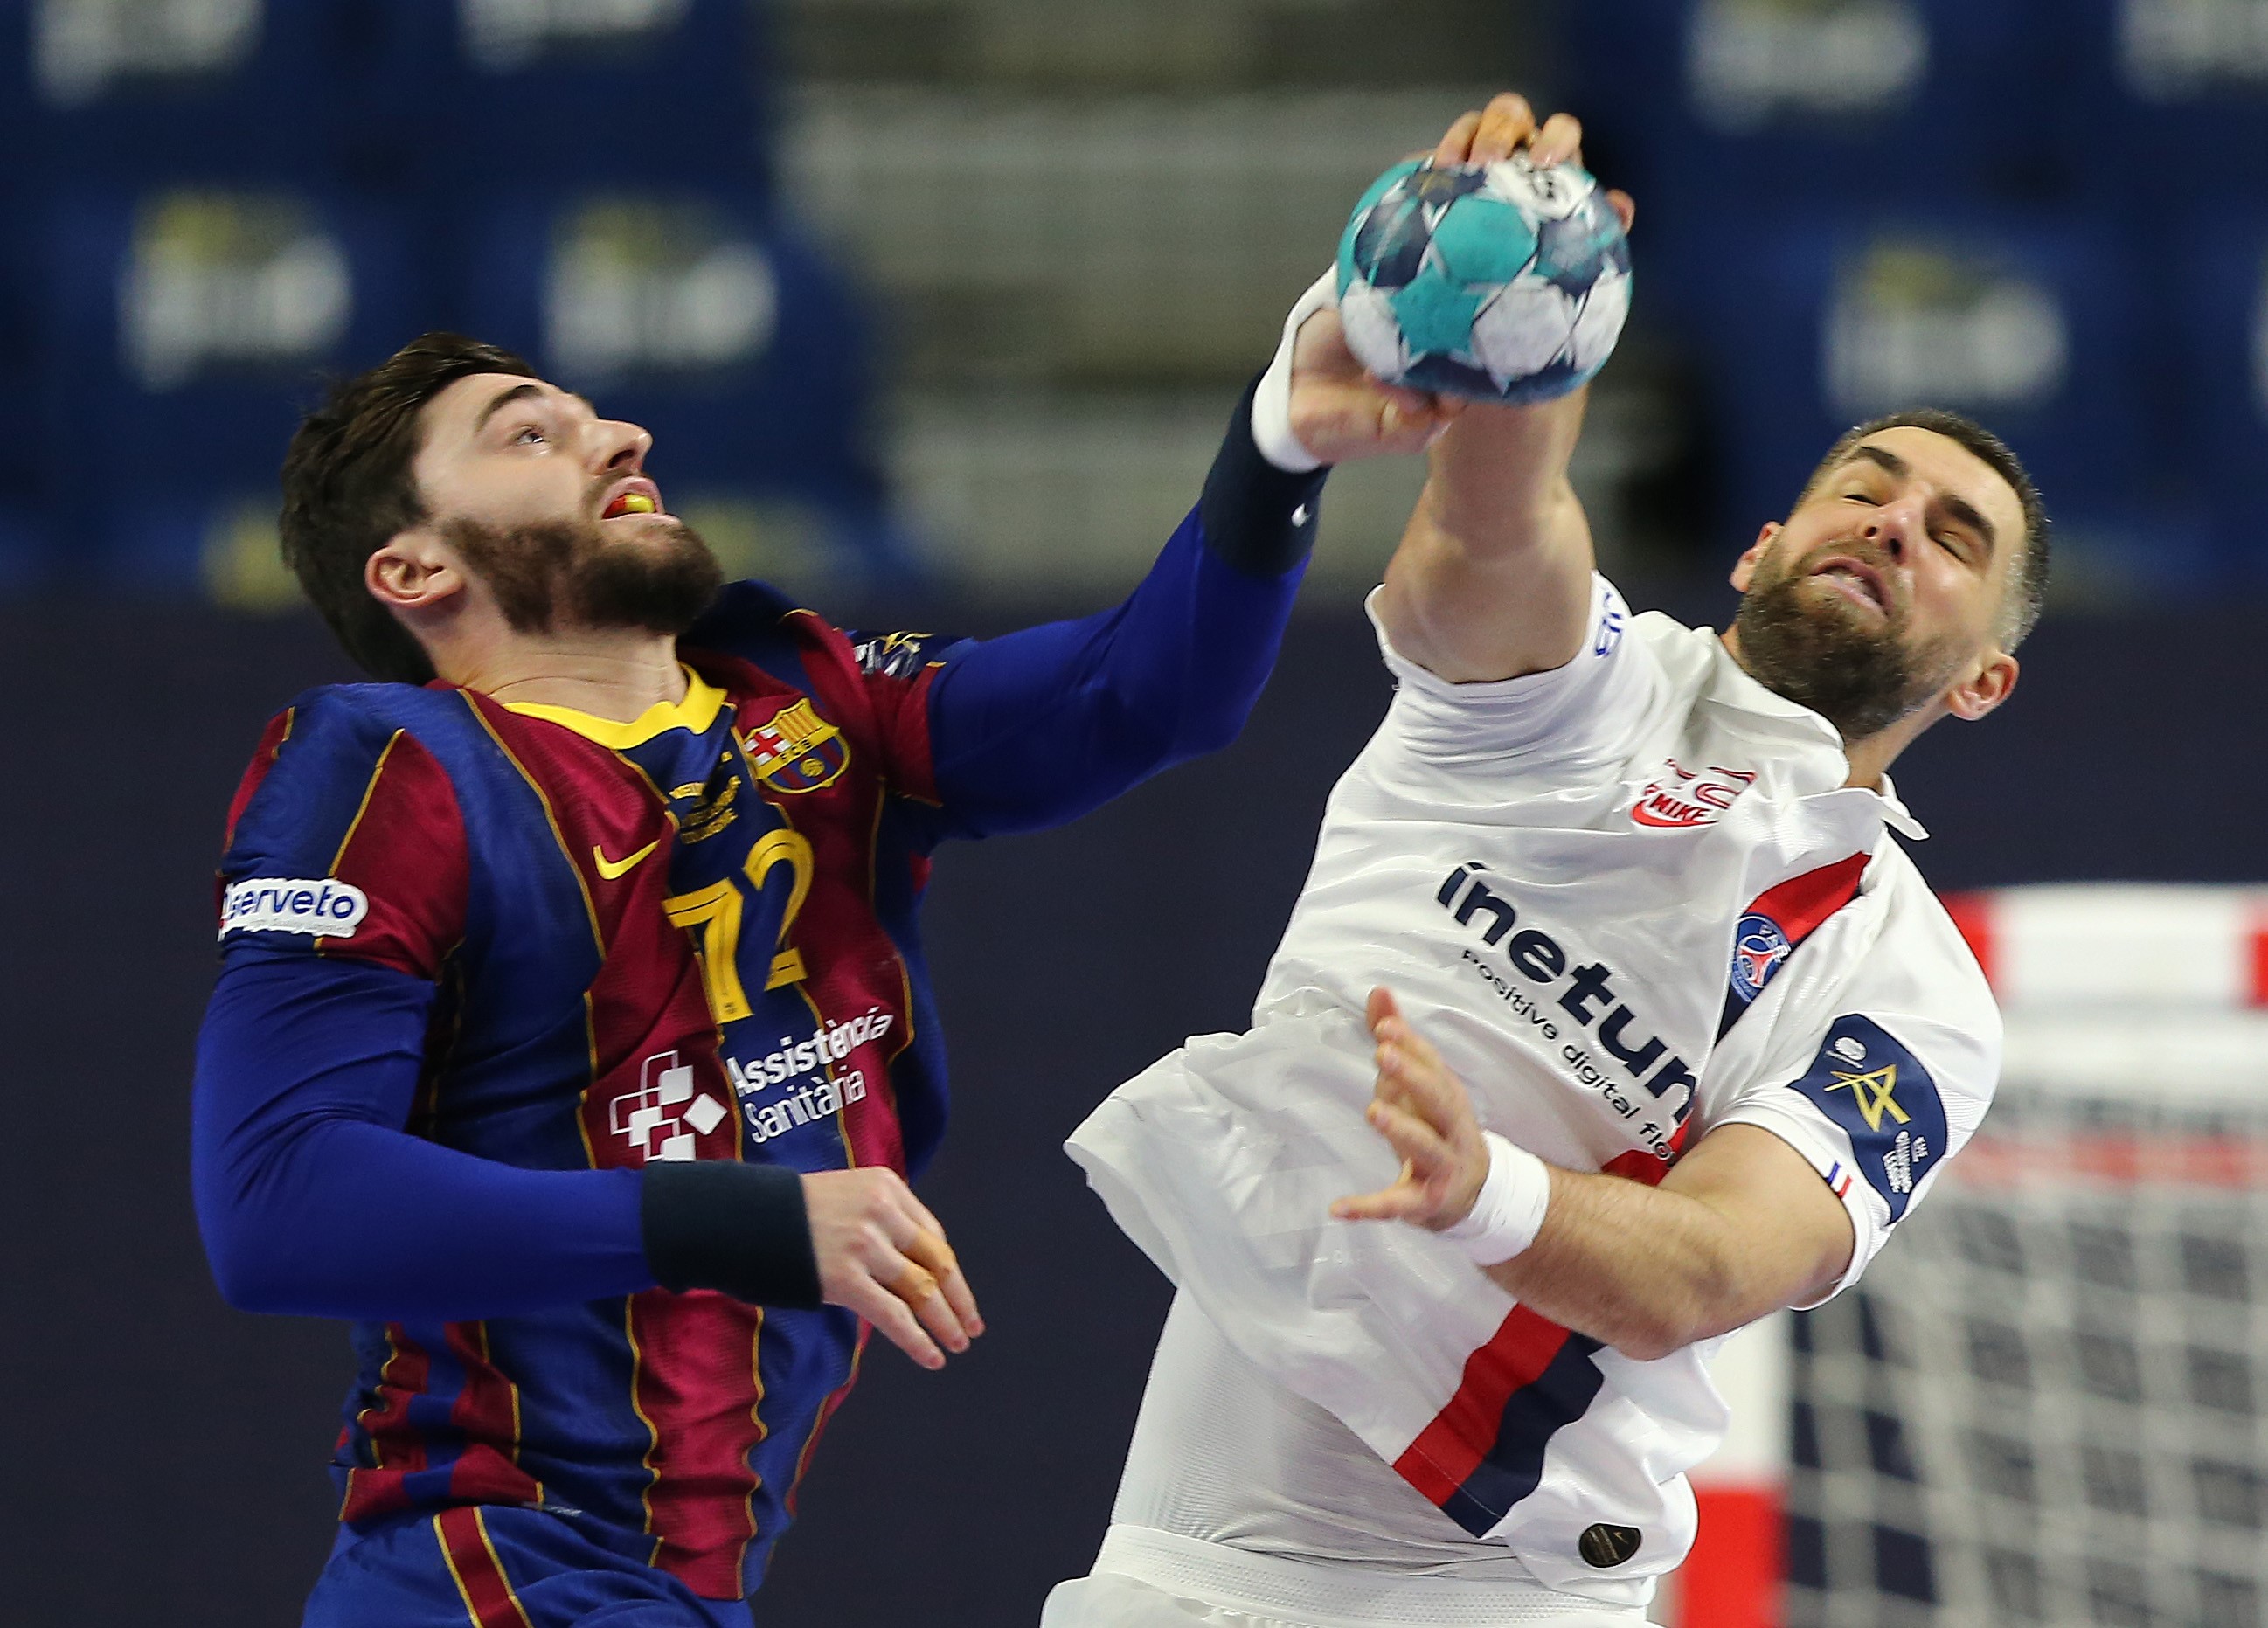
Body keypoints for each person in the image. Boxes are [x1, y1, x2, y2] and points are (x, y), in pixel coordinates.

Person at [191, 293, 1459, 1624]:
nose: (619, 436)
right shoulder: (392, 765)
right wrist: (746, 1214)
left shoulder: (810, 702)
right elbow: (277, 1205)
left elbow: (1148, 694)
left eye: (596, 416)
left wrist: (1278, 445)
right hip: (489, 1565)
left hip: (680, 1586)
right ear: (415, 572)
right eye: (528, 437)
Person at [1053, 93, 2041, 1628]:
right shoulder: (1579, 697)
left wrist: (1482, 1195)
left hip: (1510, 1591)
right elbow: (1497, 525)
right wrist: (1518, 298)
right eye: (1866, 487)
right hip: (1187, 1567)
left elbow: (1712, 1268)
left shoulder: (1916, 991)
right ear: (1758, 546)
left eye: (1955, 537)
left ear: (1983, 680)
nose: (1897, 525)